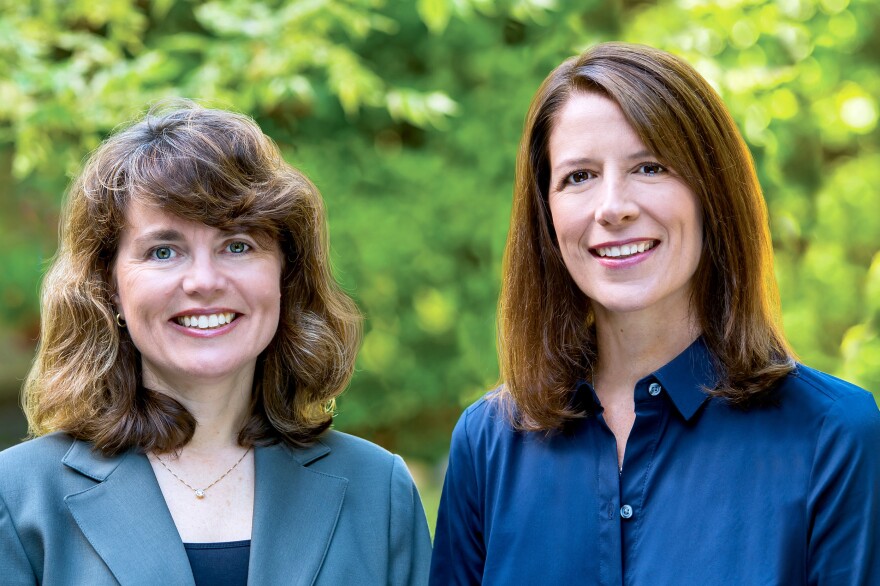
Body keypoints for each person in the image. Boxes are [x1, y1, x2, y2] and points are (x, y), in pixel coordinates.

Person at [429, 42, 880, 585]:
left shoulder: (834, 435)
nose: (613, 206)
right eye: (579, 176)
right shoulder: (487, 444)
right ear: (546, 216)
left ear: (711, 193)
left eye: (649, 167)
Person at [0, 102, 432, 585]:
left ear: (284, 276)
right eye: (163, 251)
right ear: (110, 289)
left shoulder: (377, 492)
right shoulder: (18, 498)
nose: (204, 281)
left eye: (238, 245)